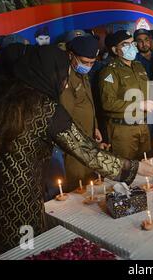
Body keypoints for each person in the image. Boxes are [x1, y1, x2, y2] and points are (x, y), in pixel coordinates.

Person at [0, 45, 153, 259]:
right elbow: (87, 152)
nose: (66, 83)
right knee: (24, 250)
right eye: (63, 76)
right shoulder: (44, 107)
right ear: (50, 73)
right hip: (16, 198)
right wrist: (133, 167)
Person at [99, 30, 153, 160]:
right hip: (123, 130)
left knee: (147, 165)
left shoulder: (139, 66)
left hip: (143, 126)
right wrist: (139, 105)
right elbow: (108, 103)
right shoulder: (109, 71)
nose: (131, 47)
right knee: (126, 171)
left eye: (132, 43)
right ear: (114, 49)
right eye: (125, 44)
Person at [60, 35, 104, 192]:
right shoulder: (65, 78)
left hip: (88, 138)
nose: (89, 66)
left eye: (92, 63)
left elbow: (88, 103)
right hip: (75, 144)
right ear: (71, 55)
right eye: (85, 62)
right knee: (78, 187)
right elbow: (65, 116)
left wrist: (95, 126)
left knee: (91, 182)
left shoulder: (82, 74)